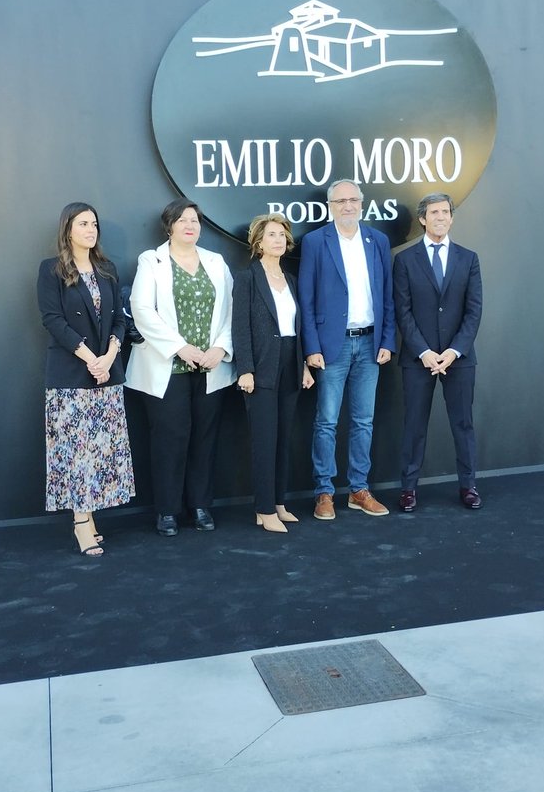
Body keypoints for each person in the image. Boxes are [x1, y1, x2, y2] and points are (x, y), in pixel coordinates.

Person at [126, 198, 236, 536]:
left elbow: (232, 309)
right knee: (169, 440)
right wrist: (181, 348)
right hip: (167, 367)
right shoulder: (152, 260)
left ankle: (200, 506)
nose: (191, 225)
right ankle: (167, 511)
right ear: (169, 226)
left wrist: (221, 347)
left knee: (205, 439)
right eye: (183, 220)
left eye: (196, 220)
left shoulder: (216, 262)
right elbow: (141, 309)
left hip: (209, 366)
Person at [37, 202, 135, 555]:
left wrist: (109, 356)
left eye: (94, 224)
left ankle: (91, 519)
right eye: (83, 224)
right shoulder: (52, 270)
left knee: (99, 452)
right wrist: (90, 358)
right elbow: (52, 320)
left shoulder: (106, 269)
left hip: (106, 375)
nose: (91, 230)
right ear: (68, 229)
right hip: (71, 376)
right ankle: (81, 523)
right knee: (78, 452)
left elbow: (120, 320)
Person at [298, 179, 395, 521]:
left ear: (362, 203)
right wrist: (311, 347)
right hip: (331, 345)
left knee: (363, 421)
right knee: (326, 421)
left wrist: (387, 340)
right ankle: (324, 492)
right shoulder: (314, 241)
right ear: (331, 206)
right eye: (341, 201)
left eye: (353, 200)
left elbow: (387, 294)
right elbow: (306, 299)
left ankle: (358, 489)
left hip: (370, 343)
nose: (348, 206)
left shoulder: (377, 240)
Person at [393, 192, 484, 511]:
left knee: (463, 424)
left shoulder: (468, 258)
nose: (441, 217)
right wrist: (424, 352)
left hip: (459, 359)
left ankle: (468, 486)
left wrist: (455, 351)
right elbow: (402, 311)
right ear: (422, 219)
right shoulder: (404, 260)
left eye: (445, 212)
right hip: (419, 360)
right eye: (434, 212)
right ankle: (408, 489)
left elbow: (474, 311)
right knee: (414, 425)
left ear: (451, 217)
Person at [232, 214, 315, 533]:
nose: (279, 240)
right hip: (261, 367)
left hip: (290, 364)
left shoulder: (291, 279)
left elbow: (296, 327)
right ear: (258, 242)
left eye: (282, 235)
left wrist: (305, 365)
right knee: (264, 440)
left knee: (283, 438)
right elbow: (239, 327)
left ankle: (279, 502)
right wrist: (246, 370)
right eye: (271, 235)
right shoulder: (247, 278)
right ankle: (264, 509)